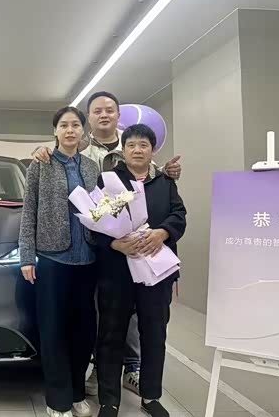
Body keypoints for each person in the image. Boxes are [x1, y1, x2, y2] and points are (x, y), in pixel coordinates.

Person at [32, 91, 182, 396]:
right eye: (97, 110)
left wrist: (168, 173)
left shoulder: (134, 146)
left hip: (140, 251)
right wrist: (41, 150)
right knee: (103, 315)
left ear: (118, 115)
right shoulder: (83, 154)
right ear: (89, 118)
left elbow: (155, 184)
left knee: (137, 317)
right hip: (99, 248)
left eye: (109, 110)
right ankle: (101, 372)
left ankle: (132, 368)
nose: (104, 115)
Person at [94, 124, 186, 417]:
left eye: (143, 145)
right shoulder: (109, 181)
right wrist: (114, 244)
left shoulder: (164, 182)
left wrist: (163, 232)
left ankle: (151, 396)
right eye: (131, 145)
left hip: (155, 273)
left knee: (154, 334)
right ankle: (109, 400)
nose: (137, 150)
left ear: (152, 151)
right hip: (117, 272)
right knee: (111, 334)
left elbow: (179, 215)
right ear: (123, 151)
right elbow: (94, 221)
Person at [19, 106, 101, 417]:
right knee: (53, 331)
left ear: (83, 131)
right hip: (53, 258)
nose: (70, 130)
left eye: (75, 125)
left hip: (88, 258)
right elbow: (29, 212)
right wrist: (27, 256)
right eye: (64, 125)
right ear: (55, 131)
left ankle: (77, 391)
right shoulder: (40, 164)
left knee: (84, 331)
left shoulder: (91, 167)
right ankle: (58, 400)